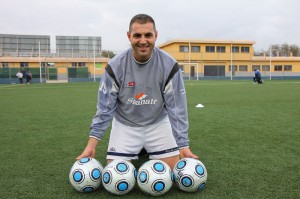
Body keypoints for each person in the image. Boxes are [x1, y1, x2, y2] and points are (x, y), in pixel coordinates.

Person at [77, 14, 198, 169]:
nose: (143, 41)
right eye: (137, 35)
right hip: (125, 125)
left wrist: (183, 145)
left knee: (174, 171)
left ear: (156, 36)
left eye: (148, 35)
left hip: (158, 123)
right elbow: (105, 109)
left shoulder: (169, 66)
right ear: (129, 36)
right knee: (115, 175)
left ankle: (146, 148)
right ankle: (140, 148)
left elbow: (177, 108)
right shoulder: (114, 67)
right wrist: (92, 144)